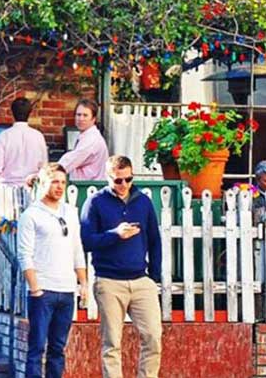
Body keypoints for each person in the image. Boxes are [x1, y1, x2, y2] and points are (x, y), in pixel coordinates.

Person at [80, 155, 162, 378]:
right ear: (108, 178)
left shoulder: (143, 201)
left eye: (128, 179)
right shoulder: (95, 202)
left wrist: (153, 277)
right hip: (109, 280)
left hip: (140, 279)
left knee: (153, 337)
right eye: (118, 181)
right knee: (112, 343)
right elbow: (86, 241)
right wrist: (115, 234)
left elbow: (154, 239)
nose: (124, 185)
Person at [18, 163, 87, 378]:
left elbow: (77, 248)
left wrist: (83, 283)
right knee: (37, 347)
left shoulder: (71, 212)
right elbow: (24, 254)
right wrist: (35, 288)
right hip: (43, 290)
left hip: (66, 289)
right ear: (43, 183)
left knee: (58, 348)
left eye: (63, 183)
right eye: (54, 182)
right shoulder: (31, 215)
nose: (59, 187)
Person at [0, 98, 48, 187]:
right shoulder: (38, 136)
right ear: (30, 113)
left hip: (6, 189)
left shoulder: (4, 136)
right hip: (32, 188)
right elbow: (44, 167)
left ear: (12, 113)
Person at [57, 99, 109, 182]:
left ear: (93, 119)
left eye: (85, 115)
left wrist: (51, 173)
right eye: (78, 115)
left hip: (89, 188)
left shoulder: (91, 138)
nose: (81, 119)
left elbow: (71, 160)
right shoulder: (86, 136)